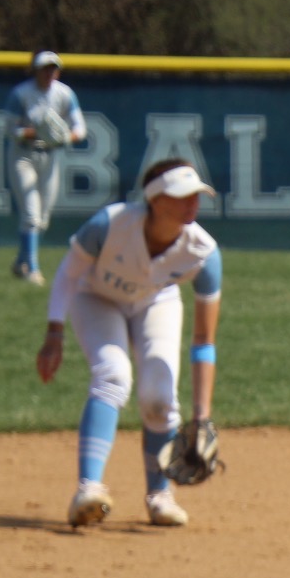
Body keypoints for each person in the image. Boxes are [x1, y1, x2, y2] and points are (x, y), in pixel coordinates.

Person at [34, 159, 224, 529]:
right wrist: (54, 333)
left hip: (157, 302)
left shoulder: (203, 252)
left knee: (160, 396)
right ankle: (88, 489)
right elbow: (68, 273)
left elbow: (204, 340)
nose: (193, 204)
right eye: (182, 196)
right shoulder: (111, 225)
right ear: (155, 200)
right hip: (95, 299)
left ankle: (160, 496)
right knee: (113, 375)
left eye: (197, 196)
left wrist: (202, 415)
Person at [4, 50, 87, 285]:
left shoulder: (64, 93)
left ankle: (21, 261)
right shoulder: (21, 94)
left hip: (50, 156)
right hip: (23, 156)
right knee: (31, 213)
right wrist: (36, 132)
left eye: (53, 68)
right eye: (45, 68)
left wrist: (63, 137)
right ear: (35, 70)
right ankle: (32, 269)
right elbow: (10, 130)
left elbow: (79, 128)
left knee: (42, 218)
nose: (50, 73)